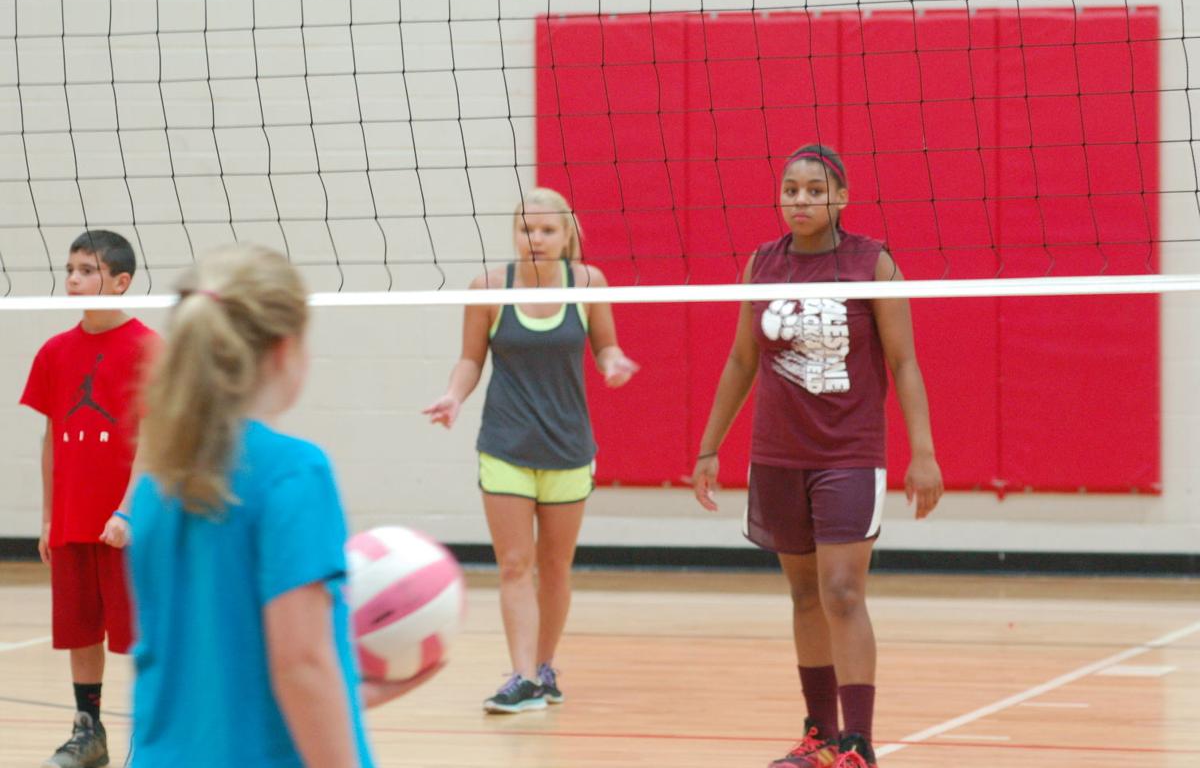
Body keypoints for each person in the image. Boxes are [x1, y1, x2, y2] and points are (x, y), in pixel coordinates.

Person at [127, 245, 436, 767]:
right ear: (284, 350)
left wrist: (350, 697)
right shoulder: (293, 473)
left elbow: (202, 678)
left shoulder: (156, 486)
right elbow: (300, 664)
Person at [690, 145, 944, 768]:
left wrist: (925, 453)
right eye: (791, 190)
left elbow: (904, 362)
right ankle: (820, 736)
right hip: (778, 453)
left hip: (850, 452)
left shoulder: (871, 261)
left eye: (814, 190)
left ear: (841, 198)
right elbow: (741, 360)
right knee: (804, 596)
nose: (800, 200)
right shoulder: (763, 262)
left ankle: (858, 742)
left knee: (843, 592)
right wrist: (708, 447)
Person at [424, 187, 639, 713]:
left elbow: (605, 344)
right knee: (515, 564)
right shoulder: (489, 288)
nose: (536, 239)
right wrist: (453, 395)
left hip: (568, 446)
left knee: (555, 566)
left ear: (567, 235)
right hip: (505, 444)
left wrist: (612, 362)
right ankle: (521, 676)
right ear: (514, 233)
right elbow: (470, 359)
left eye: (547, 230)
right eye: (527, 229)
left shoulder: (588, 282)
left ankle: (543, 668)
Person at [20, 230, 158, 768]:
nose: (73, 279)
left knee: (141, 635)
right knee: (81, 630)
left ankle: (151, 735)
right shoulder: (55, 352)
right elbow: (51, 438)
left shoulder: (149, 349)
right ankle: (88, 731)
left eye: (87, 270)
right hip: (74, 518)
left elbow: (156, 440)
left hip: (128, 521)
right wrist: (50, 517)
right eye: (70, 268)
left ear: (121, 282)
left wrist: (128, 509)